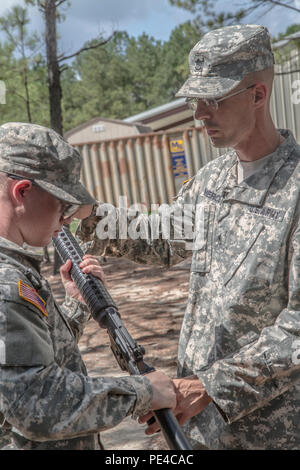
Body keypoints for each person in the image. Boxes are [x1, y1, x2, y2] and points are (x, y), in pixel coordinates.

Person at [77, 24, 300, 449]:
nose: (199, 114)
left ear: (258, 95)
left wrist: (211, 386)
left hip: (267, 433)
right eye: (195, 100)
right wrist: (89, 215)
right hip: (196, 428)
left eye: (212, 99)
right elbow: (162, 236)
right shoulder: (213, 179)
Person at [0, 122, 176, 450]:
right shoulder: (7, 282)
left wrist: (78, 304)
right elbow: (36, 402)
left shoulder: (14, 270)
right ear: (22, 192)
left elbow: (35, 357)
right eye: (64, 204)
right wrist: (144, 391)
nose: (67, 218)